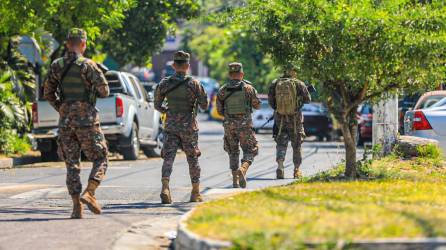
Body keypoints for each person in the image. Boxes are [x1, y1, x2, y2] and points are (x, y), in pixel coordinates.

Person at [44, 28, 109, 219]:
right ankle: (89, 192)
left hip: (65, 122)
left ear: (67, 44)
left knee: (72, 164)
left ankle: (76, 208)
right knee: (101, 158)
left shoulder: (57, 65)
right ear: (83, 44)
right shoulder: (89, 65)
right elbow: (104, 91)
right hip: (87, 120)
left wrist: (63, 108)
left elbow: (48, 92)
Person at [154, 51, 208, 204]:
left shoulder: (165, 83)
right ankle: (195, 192)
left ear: (173, 65)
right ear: (188, 66)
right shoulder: (194, 84)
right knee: (192, 158)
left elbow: (157, 105)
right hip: (189, 127)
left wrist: (168, 111)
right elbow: (204, 106)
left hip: (170, 126)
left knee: (168, 157)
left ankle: (165, 188)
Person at [216, 62, 260, 188]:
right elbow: (257, 105)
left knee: (233, 151)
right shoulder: (248, 88)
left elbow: (219, 110)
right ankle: (244, 168)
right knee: (251, 149)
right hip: (245, 126)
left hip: (229, 126)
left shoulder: (222, 90)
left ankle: (235, 181)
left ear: (230, 74)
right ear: (242, 74)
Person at [268, 66, 311, 179]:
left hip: (280, 119)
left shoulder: (275, 83)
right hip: (295, 119)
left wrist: (280, 108)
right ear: (294, 72)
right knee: (296, 145)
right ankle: (296, 170)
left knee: (281, 143)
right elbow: (308, 100)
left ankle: (280, 166)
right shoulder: (299, 83)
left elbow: (271, 102)